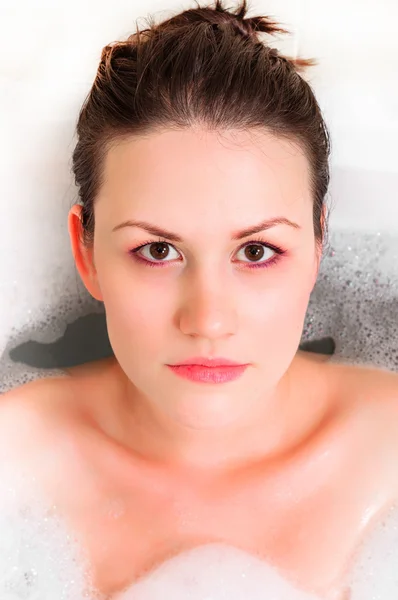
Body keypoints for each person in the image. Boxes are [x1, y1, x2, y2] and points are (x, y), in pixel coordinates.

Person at [2, 1, 398, 598]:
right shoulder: (13, 468)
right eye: (157, 251)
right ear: (86, 255)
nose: (208, 320)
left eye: (258, 251)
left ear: (319, 245)